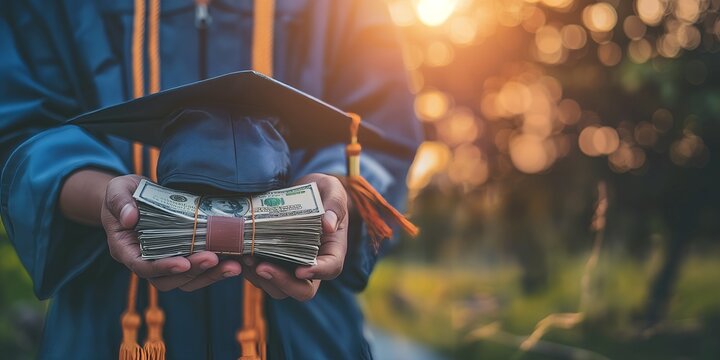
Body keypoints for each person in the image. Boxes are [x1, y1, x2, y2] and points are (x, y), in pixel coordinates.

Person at [0, 1, 422, 359]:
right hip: (110, 324)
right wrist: (106, 200)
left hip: (303, 330)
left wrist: (334, 191)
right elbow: (17, 126)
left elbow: (381, 135)